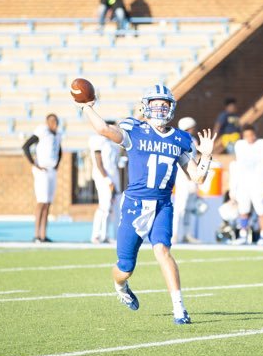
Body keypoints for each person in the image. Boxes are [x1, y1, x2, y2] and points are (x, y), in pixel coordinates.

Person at [74, 83, 216, 325]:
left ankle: (179, 309)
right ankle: (120, 287)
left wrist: (205, 155)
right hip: (135, 206)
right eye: (155, 104)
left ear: (171, 107)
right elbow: (103, 130)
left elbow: (198, 177)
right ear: (146, 106)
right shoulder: (134, 130)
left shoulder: (180, 139)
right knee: (125, 267)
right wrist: (87, 107)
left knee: (163, 250)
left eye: (164, 104)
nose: (160, 108)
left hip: (162, 204)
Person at [22, 114, 62, 243]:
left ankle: (43, 235)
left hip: (51, 171)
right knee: (41, 202)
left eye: (55, 121)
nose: (54, 123)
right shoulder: (42, 131)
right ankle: (36, 235)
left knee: (48, 203)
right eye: (51, 121)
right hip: (42, 170)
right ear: (47, 122)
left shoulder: (57, 134)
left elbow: (59, 151)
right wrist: (34, 163)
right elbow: (26, 146)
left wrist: (57, 165)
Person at [230, 124, 263, 245]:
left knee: (260, 209)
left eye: (251, 135)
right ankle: (243, 234)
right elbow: (237, 166)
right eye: (246, 135)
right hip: (243, 183)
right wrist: (234, 188)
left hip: (257, 183)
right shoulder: (240, 146)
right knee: (243, 209)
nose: (249, 138)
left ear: (255, 134)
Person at [89, 121, 121, 244]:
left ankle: (106, 235)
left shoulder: (113, 143)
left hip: (114, 176)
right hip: (103, 177)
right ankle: (96, 235)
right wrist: (107, 179)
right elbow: (98, 163)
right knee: (104, 206)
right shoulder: (97, 140)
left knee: (114, 206)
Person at [172, 117, 200, 244]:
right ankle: (175, 234)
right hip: (182, 175)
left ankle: (187, 234)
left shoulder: (193, 140)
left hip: (191, 175)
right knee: (180, 206)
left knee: (189, 207)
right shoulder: (179, 139)